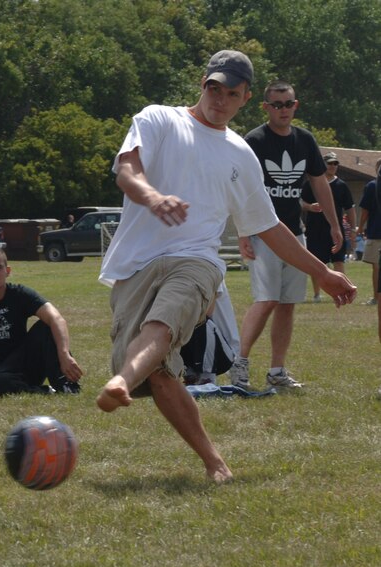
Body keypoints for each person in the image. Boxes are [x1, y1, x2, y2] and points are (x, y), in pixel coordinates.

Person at [96, 51, 356, 483]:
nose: (219, 99)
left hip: (197, 262)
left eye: (231, 93)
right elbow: (127, 169)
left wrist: (322, 272)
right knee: (159, 372)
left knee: (163, 325)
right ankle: (214, 460)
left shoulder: (240, 154)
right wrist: (152, 197)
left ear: (245, 98)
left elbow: (268, 227)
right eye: (213, 88)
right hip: (135, 265)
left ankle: (121, 380)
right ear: (202, 83)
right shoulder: (159, 119)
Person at [232, 80, 344, 390]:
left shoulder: (305, 140)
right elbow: (238, 189)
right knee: (266, 299)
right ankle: (238, 363)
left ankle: (277, 371)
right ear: (265, 107)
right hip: (261, 232)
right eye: (277, 104)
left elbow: (320, 183)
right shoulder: (254, 141)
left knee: (287, 303)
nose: (284, 109)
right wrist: (243, 232)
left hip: (295, 234)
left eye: (289, 103)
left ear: (296, 105)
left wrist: (335, 224)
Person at [0, 246, 82, 395]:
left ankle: (67, 387)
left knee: (47, 326)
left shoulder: (20, 294)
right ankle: (44, 391)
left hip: (20, 366)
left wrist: (64, 354)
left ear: (7, 271)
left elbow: (56, 318)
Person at [301, 152, 356, 302]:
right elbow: (300, 202)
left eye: (335, 164)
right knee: (317, 262)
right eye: (330, 163)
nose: (333, 166)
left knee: (338, 261)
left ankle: (341, 291)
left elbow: (349, 208)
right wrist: (310, 207)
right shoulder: (311, 183)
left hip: (335, 230)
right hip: (315, 230)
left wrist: (353, 229)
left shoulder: (341, 185)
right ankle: (317, 294)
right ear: (323, 164)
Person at [357, 159, 381, 305]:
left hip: (376, 231)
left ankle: (377, 298)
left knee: (377, 266)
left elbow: (365, 210)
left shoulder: (372, 186)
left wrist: (360, 227)